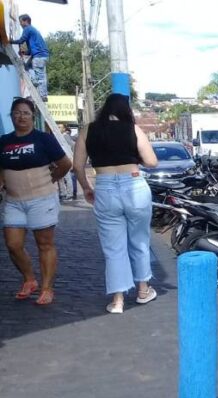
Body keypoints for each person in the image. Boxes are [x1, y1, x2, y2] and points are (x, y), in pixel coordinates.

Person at [73, 94, 159, 314]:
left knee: (113, 248)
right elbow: (151, 161)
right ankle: (143, 290)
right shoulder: (133, 129)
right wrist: (133, 159)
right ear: (125, 110)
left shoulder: (87, 131)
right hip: (134, 185)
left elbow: (77, 166)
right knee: (140, 240)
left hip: (104, 187)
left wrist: (86, 188)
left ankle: (118, 301)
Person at [0, 98, 72, 305]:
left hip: (42, 199)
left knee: (44, 244)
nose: (20, 117)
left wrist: (54, 178)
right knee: (13, 245)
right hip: (14, 201)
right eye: (16, 113)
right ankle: (29, 279)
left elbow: (64, 164)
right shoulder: (4, 141)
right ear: (11, 116)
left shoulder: (43, 139)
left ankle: (47, 288)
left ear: (32, 117)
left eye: (25, 113)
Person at [10, 14, 49, 101]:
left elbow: (21, 40)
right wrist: (25, 52)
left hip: (39, 56)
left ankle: (43, 95)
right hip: (39, 55)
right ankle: (34, 81)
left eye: (21, 22)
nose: (20, 24)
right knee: (27, 66)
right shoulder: (33, 31)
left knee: (40, 76)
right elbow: (31, 49)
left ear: (25, 21)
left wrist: (10, 41)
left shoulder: (28, 29)